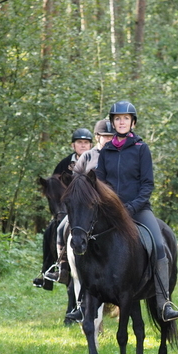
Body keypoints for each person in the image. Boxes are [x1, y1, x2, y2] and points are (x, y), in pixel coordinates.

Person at [95, 100, 178, 322]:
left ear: (132, 122)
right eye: (117, 119)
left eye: (125, 118)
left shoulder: (142, 149)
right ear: (112, 122)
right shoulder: (106, 152)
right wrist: (109, 208)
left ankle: (164, 302)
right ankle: (82, 299)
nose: (121, 122)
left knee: (159, 245)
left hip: (138, 208)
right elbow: (101, 184)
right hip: (112, 211)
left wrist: (131, 207)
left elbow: (147, 185)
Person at [44, 120, 115, 286]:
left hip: (107, 206)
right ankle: (61, 268)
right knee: (60, 228)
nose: (108, 139)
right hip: (81, 207)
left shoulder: (117, 156)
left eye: (111, 136)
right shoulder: (85, 158)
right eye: (104, 136)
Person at [33, 128, 94, 289]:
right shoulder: (64, 164)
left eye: (86, 142)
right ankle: (56, 269)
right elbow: (53, 184)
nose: (83, 145)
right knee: (54, 230)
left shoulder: (95, 160)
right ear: (73, 145)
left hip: (88, 208)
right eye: (79, 142)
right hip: (69, 209)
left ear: (91, 145)